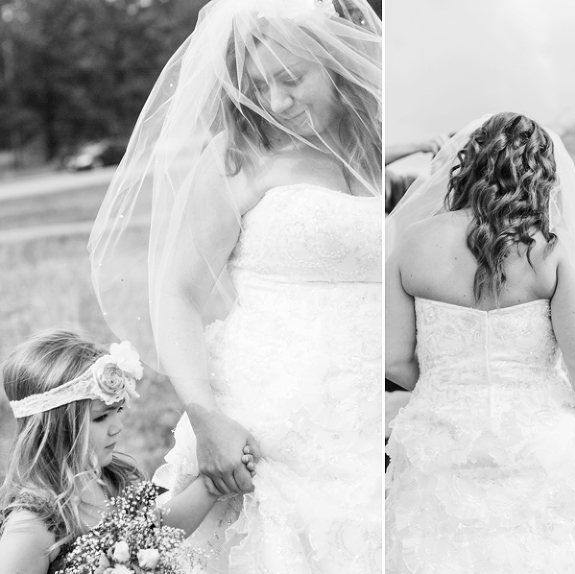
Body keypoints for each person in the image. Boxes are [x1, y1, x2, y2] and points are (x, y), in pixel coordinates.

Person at [88, 0, 382, 571]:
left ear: (336, 61)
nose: (276, 102)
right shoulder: (239, 157)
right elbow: (177, 294)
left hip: (366, 424)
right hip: (265, 426)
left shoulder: (371, 147)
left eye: (292, 80)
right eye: (260, 85)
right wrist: (204, 415)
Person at [385, 112, 575, 572]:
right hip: (540, 445)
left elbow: (394, 359)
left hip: (439, 441)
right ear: (543, 174)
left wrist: (447, 388)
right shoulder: (552, 249)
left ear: (470, 163)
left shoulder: (413, 242)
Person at [0, 330, 254, 573]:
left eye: (118, 411)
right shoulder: (32, 527)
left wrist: (211, 486)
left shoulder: (106, 479)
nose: (117, 427)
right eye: (101, 418)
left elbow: (153, 534)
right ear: (55, 426)